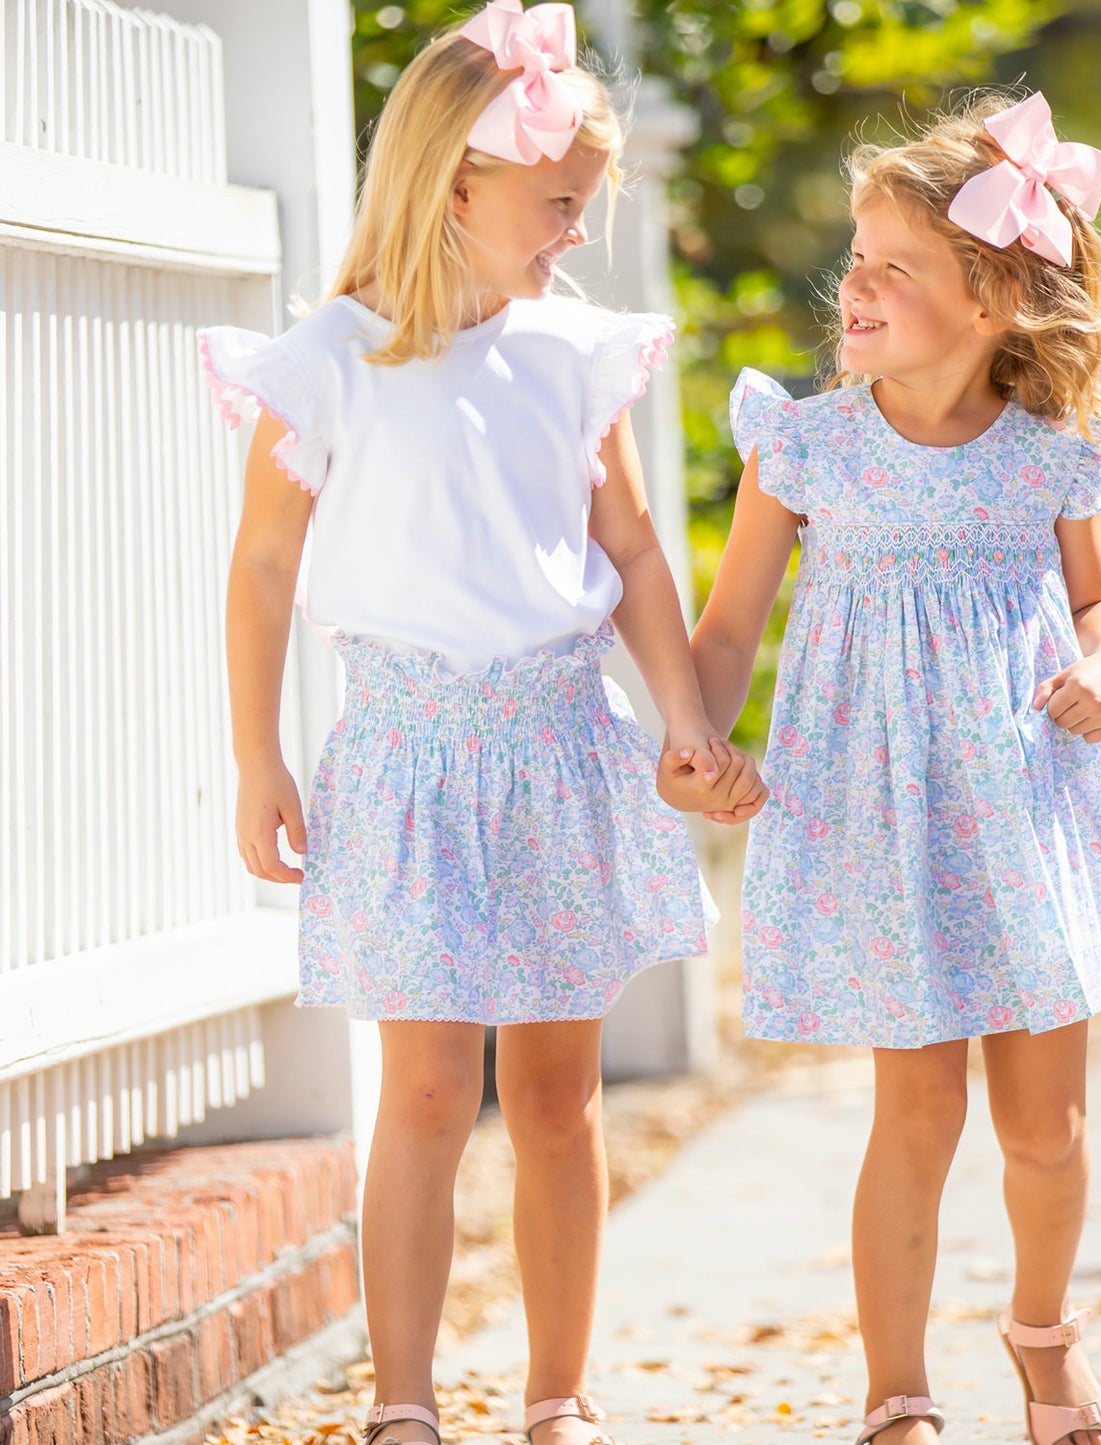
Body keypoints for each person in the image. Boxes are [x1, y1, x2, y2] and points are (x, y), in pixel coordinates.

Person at [199, 5, 762, 1443]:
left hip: (560, 746)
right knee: (431, 1087)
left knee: (562, 1094)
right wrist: (258, 753)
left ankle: (557, 1391)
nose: (576, 230)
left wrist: (683, 719)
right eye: (558, 201)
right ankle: (402, 1396)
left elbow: (633, 555)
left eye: (584, 204)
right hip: (402, 758)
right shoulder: (329, 357)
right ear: (456, 177)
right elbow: (264, 566)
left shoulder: (576, 356)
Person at [672, 92, 1101, 1445]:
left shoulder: (1049, 456)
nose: (859, 286)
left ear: (996, 297)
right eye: (858, 260)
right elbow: (724, 634)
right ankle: (896, 1391)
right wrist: (697, 734)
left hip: (1023, 807)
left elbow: (1098, 611)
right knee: (915, 1107)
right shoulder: (806, 446)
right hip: (881, 821)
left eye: (898, 265)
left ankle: (1044, 1341)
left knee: (1045, 1126)